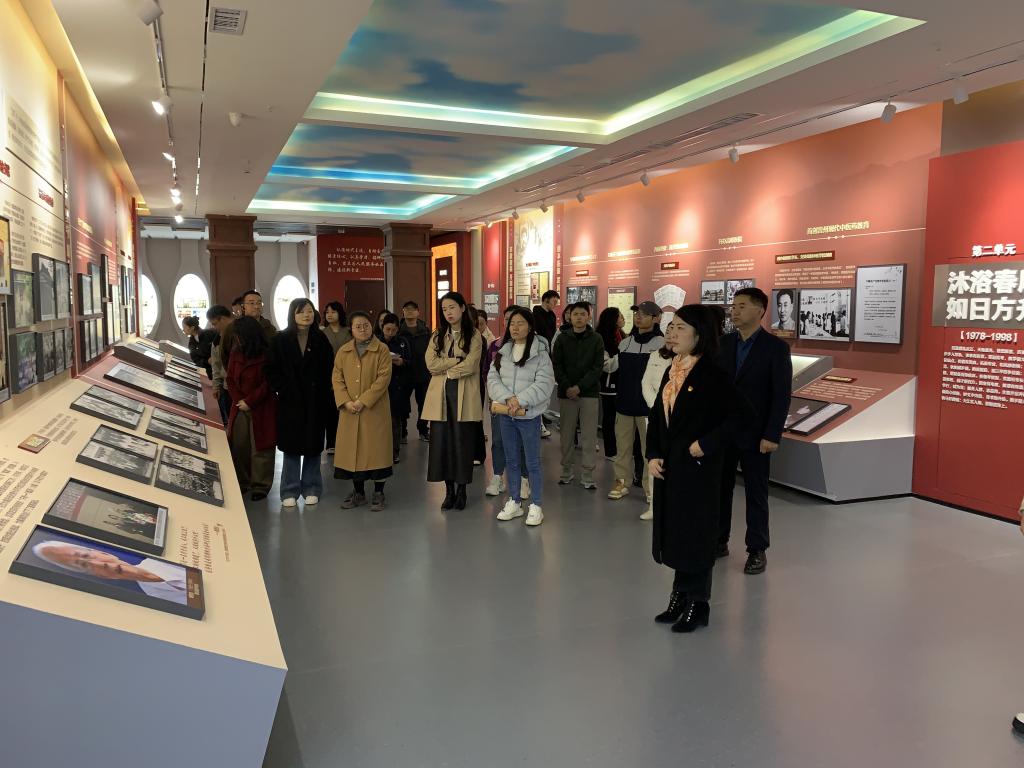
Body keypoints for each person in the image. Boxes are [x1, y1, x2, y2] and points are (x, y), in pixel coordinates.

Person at [647, 305, 748, 633]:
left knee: (697, 535)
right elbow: (658, 417)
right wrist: (653, 453)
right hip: (672, 467)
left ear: (699, 334)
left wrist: (706, 443)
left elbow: (741, 417)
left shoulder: (713, 374)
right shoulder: (674, 368)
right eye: (671, 326)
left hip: (699, 469)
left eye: (680, 327)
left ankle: (698, 602)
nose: (672, 333)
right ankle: (679, 595)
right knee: (677, 533)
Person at [716, 287, 792, 575]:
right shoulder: (723, 344)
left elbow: (781, 395)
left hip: (756, 434)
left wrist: (772, 434)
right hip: (724, 432)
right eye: (733, 306)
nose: (734, 311)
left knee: (756, 493)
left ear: (760, 310)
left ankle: (757, 549)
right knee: (720, 489)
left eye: (742, 306)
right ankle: (719, 540)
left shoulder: (775, 348)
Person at [487, 308, 555, 526]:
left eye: (520, 323)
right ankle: (515, 501)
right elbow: (492, 379)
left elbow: (544, 383)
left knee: (532, 462)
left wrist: (520, 400)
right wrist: (508, 398)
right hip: (507, 414)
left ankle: (536, 505)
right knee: (512, 460)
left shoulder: (540, 354)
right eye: (512, 323)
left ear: (530, 326)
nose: (515, 327)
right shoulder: (503, 351)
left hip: (529, 416)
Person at [265, 298, 334, 508]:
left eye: (310, 311)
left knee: (314, 445)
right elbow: (270, 368)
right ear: (292, 314)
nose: (307, 315)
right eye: (301, 311)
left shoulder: (320, 338)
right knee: (291, 446)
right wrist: (282, 387)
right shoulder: (280, 339)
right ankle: (289, 489)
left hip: (315, 400)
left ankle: (312, 487)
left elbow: (329, 367)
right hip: (290, 401)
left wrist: (323, 391)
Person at [424, 291, 482, 511]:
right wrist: (455, 360)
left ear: (462, 308)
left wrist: (447, 371)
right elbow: (431, 364)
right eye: (444, 309)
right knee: (442, 444)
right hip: (440, 396)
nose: (448, 312)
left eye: (452, 307)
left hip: (464, 395)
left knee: (462, 443)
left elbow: (471, 365)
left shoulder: (474, 335)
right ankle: (449, 491)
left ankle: (462, 490)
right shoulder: (438, 335)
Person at [333, 311, 394, 511]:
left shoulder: (382, 349)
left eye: (366, 325)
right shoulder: (343, 352)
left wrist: (363, 401)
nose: (362, 329)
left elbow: (383, 379)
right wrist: (345, 401)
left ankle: (379, 492)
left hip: (374, 410)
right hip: (349, 410)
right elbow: (337, 378)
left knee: (377, 453)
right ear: (350, 329)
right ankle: (358, 492)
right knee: (354, 453)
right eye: (357, 326)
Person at [607, 301, 665, 505]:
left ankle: (650, 488)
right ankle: (621, 482)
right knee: (622, 448)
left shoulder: (662, 344)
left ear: (656, 318)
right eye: (636, 313)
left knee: (649, 450)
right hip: (624, 404)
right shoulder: (625, 343)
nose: (638, 317)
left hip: (649, 408)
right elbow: (613, 367)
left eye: (644, 314)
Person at [33, 540, 190, 603]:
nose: (99, 563)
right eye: (84, 565)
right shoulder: (156, 600)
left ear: (105, 553)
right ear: (100, 576)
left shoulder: (168, 558)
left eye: (87, 556)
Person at [552, 302, 604, 489]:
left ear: (589, 317)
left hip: (589, 393)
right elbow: (556, 365)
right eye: (575, 314)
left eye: (583, 314)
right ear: (569, 317)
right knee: (566, 435)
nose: (579, 317)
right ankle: (566, 471)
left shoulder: (596, 339)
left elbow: (597, 367)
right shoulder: (562, 338)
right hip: (566, 393)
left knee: (589, 435)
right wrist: (567, 386)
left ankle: (588, 475)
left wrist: (579, 387)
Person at [482, 305, 531, 499]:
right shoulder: (495, 346)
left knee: (523, 442)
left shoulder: (533, 347)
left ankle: (524, 479)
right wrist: (495, 396)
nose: (513, 324)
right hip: (500, 401)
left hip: (523, 402)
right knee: (498, 440)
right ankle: (497, 476)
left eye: (518, 321)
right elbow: (487, 373)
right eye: (509, 319)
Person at [226, 316, 277, 501]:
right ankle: (243, 482)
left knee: (261, 446)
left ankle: (260, 486)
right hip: (240, 406)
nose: (237, 339)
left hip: (262, 406)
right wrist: (239, 400)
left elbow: (268, 382)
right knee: (240, 445)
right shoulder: (236, 353)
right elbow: (230, 379)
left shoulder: (268, 353)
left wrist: (250, 401)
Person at [638, 322, 677, 520]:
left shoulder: (686, 359)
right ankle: (654, 504)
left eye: (676, 331)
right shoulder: (655, 355)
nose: (670, 335)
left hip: (677, 418)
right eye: (668, 331)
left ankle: (674, 507)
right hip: (655, 415)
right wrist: (657, 408)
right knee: (654, 460)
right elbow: (646, 383)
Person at [321, 301, 352, 455]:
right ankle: (331, 442)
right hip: (327, 374)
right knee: (330, 409)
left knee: (345, 407)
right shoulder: (322, 332)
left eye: (333, 312)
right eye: (327, 312)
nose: (330, 315)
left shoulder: (349, 331)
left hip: (348, 373)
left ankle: (346, 441)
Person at [399, 300, 432, 443]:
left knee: (424, 404)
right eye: (407, 309)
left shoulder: (425, 330)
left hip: (422, 372)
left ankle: (423, 430)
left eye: (413, 309)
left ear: (418, 312)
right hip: (404, 373)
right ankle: (402, 432)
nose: (410, 311)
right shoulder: (399, 331)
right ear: (403, 312)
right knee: (402, 403)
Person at [380, 312, 412, 464]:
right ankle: (380, 451)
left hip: (398, 386)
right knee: (380, 420)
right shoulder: (376, 342)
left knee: (395, 420)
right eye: (387, 329)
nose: (390, 332)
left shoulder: (403, 342)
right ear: (382, 327)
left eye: (393, 330)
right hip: (381, 385)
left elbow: (410, 361)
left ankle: (394, 452)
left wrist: (402, 362)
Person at [596, 307, 624, 461]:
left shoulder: (621, 335)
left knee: (620, 420)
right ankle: (610, 451)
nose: (623, 318)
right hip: (608, 384)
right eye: (619, 316)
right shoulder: (602, 338)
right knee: (609, 418)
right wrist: (623, 355)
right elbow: (606, 365)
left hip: (621, 384)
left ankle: (620, 449)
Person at [206, 304, 233, 425]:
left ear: (222, 318)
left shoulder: (242, 332)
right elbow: (216, 366)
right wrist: (216, 386)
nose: (213, 327)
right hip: (227, 387)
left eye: (214, 323)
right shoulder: (216, 341)